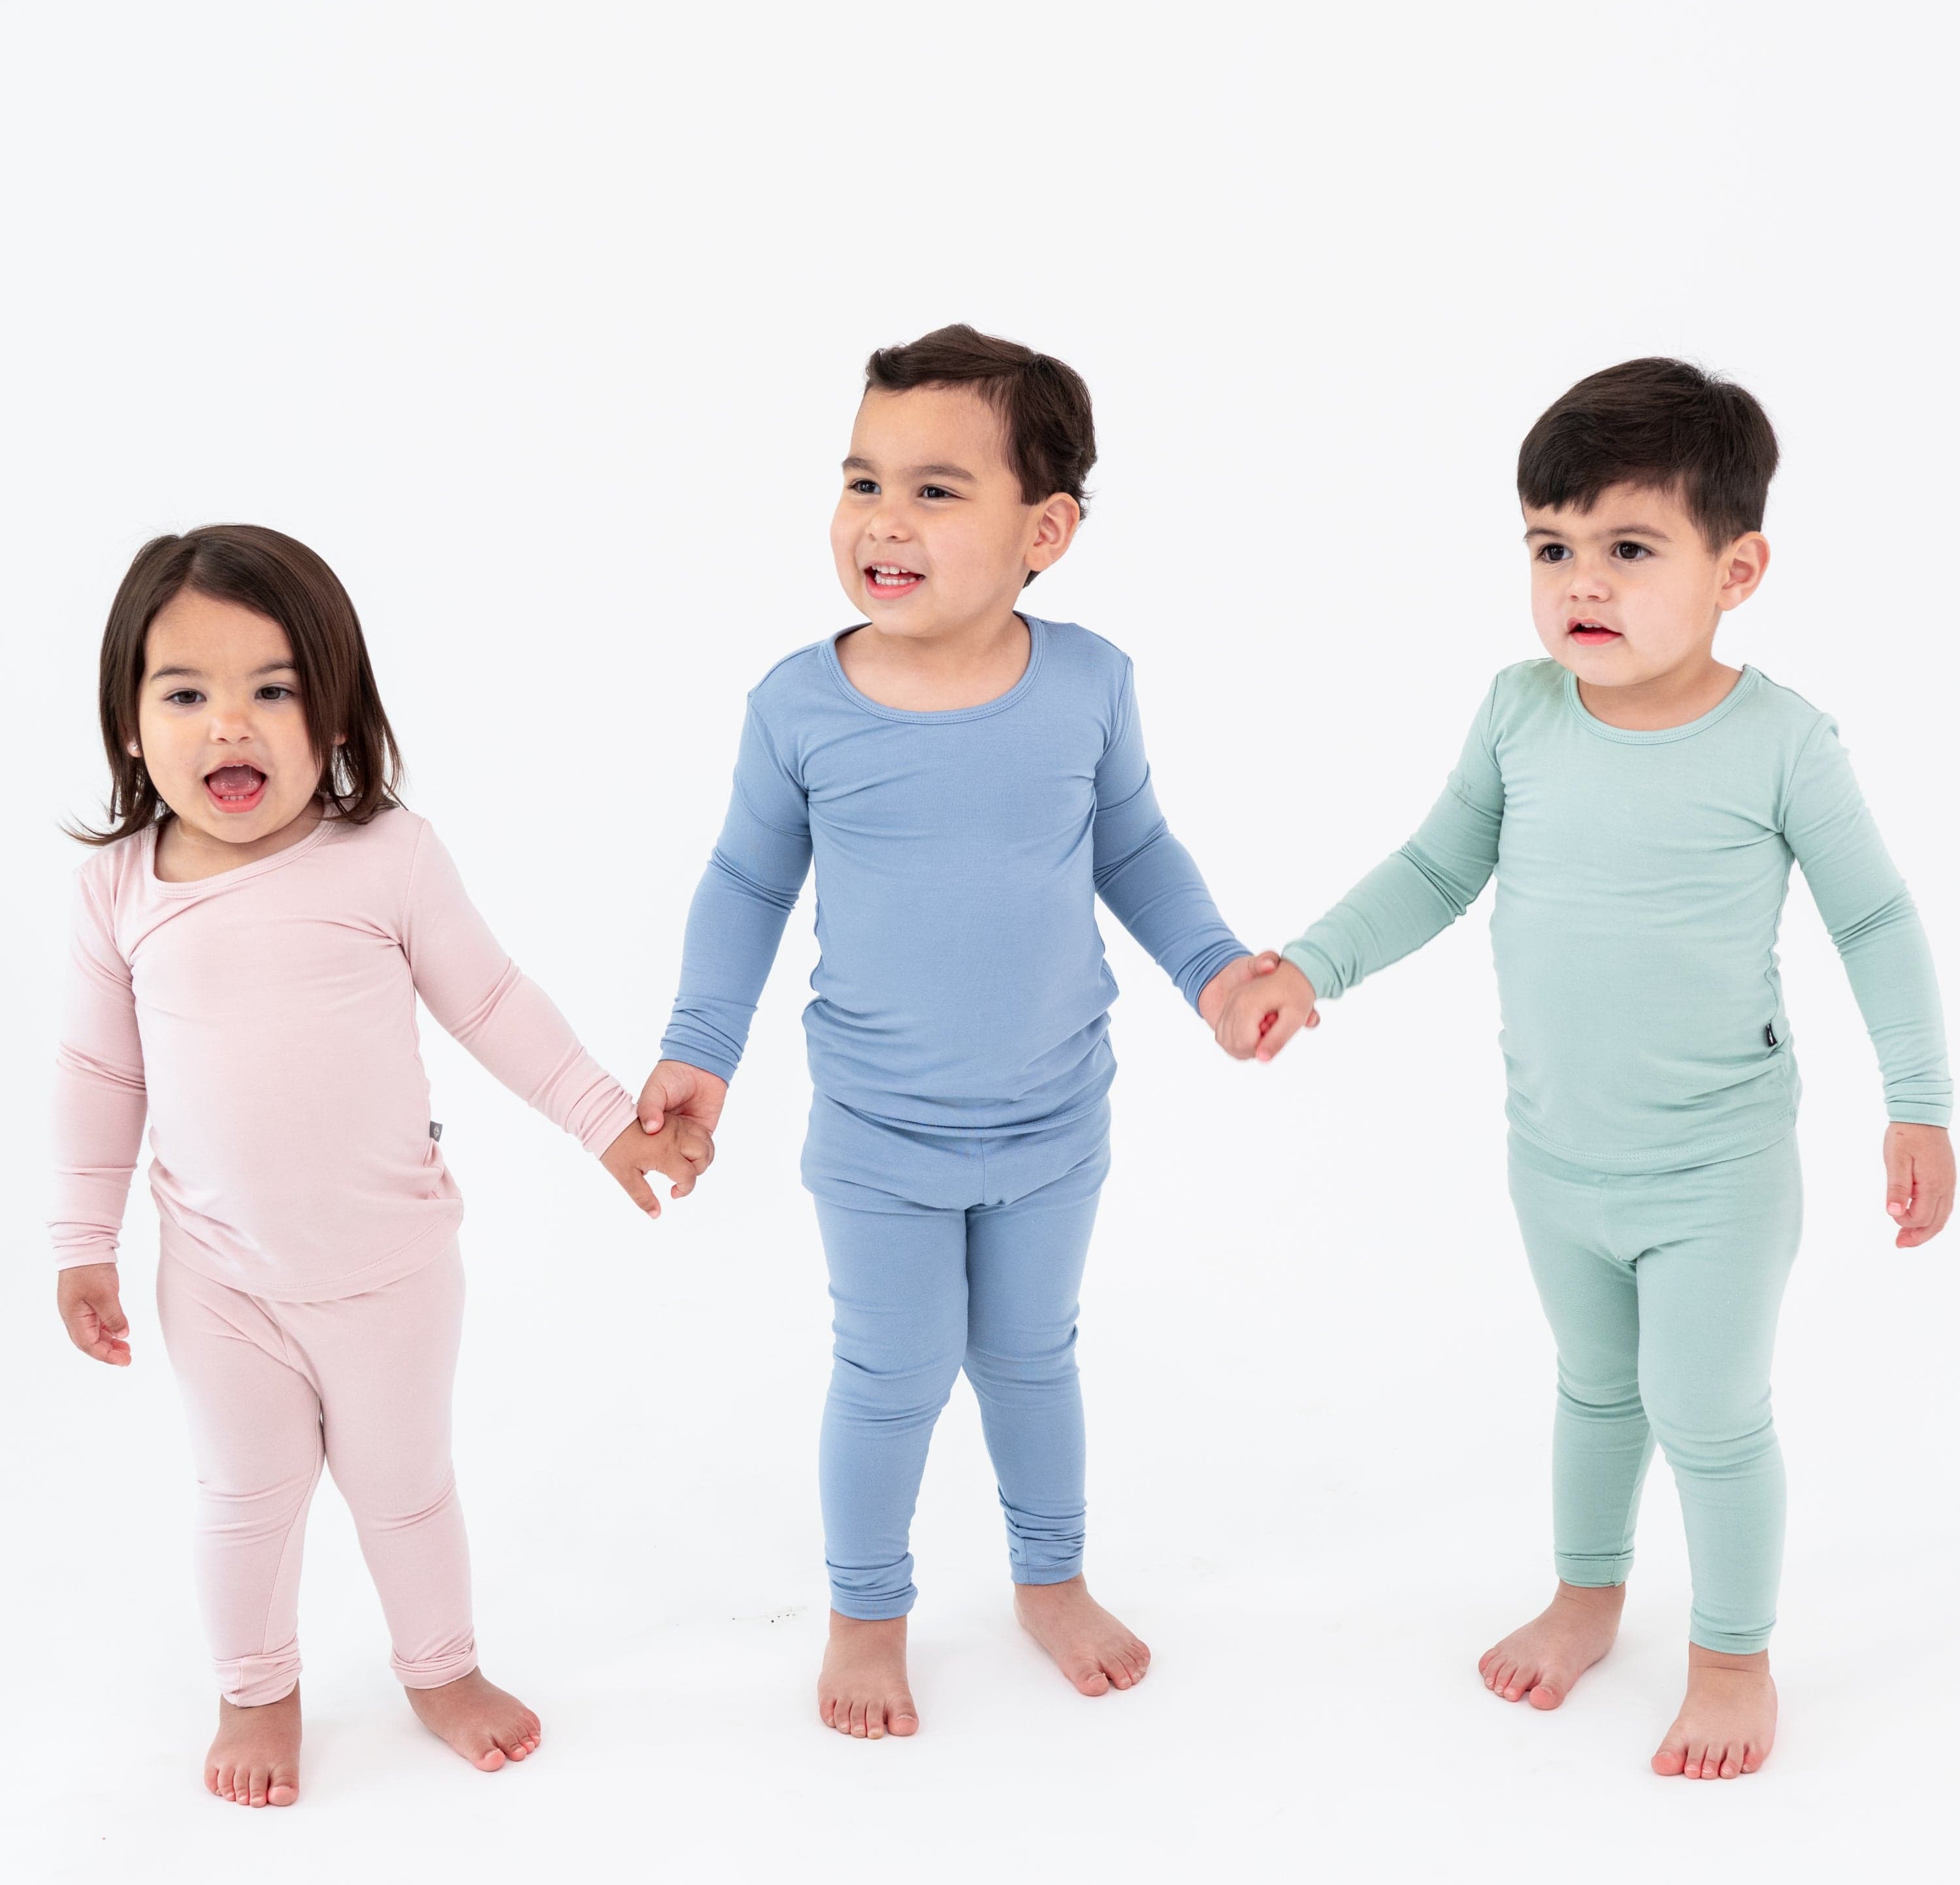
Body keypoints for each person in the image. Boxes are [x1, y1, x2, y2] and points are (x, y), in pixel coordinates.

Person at [1217, 359, 1953, 1778]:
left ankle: (1734, 1659)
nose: (1582, 585)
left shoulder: (1784, 743)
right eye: (1552, 547)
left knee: (1710, 1413)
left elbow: (1875, 918)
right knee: (1595, 1389)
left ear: (1738, 569)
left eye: (1629, 548)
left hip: (1718, 1166)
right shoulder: (1519, 712)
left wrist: (1918, 1100)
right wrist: (1310, 966)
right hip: (1555, 1157)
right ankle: (1587, 1593)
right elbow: (1437, 866)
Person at [638, 325, 1274, 1739]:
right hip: (879, 1133)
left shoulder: (1090, 682)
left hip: (1055, 1121)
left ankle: (1051, 1579)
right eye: (862, 480)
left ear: (1045, 529)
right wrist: (700, 1047)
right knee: (893, 1370)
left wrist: (1217, 971)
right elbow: (746, 884)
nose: (883, 520)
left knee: (1035, 1354)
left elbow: (1137, 850)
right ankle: (869, 1612)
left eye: (936, 489)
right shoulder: (799, 706)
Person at [50, 525, 712, 1806]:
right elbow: (98, 1079)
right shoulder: (119, 892)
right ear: (131, 725)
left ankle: (440, 1670)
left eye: (273, 688)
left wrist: (606, 1123)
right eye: (185, 692)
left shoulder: (385, 858)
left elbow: (495, 1002)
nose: (228, 724)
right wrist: (83, 1243)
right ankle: (257, 1692)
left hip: (394, 1273)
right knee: (245, 1497)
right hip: (222, 1280)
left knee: (404, 1491)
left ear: (336, 713)